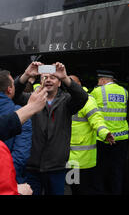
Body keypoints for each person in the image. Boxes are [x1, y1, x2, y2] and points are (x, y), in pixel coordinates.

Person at [13, 62, 88, 195]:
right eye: (45, 77)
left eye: (53, 77)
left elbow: (82, 97)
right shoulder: (31, 99)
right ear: (40, 81)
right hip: (32, 166)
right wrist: (26, 75)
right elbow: (13, 93)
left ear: (59, 83)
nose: (48, 80)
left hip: (56, 167)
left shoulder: (67, 102)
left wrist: (65, 77)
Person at [67, 75, 115, 195]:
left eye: (73, 83)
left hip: (82, 158)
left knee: (81, 188)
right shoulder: (64, 98)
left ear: (79, 84)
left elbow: (96, 119)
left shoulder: (88, 100)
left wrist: (104, 132)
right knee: (73, 187)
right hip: (68, 156)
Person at [90, 70, 128, 195]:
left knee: (100, 169)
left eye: (98, 81)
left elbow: (90, 109)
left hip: (103, 138)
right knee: (117, 169)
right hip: (121, 137)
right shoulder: (124, 91)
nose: (98, 83)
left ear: (103, 80)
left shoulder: (97, 91)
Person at [0, 70, 33, 185]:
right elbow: (20, 155)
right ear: (9, 89)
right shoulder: (21, 114)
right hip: (11, 181)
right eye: (13, 84)